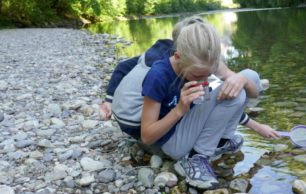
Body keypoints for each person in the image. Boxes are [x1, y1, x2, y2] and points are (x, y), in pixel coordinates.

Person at [99, 17, 279, 140]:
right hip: (138, 122)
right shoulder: (166, 68)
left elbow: (123, 66)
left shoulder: (194, 60)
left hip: (128, 116)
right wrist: (109, 100)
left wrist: (242, 80)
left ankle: (252, 87)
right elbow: (211, 98)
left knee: (244, 79)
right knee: (209, 94)